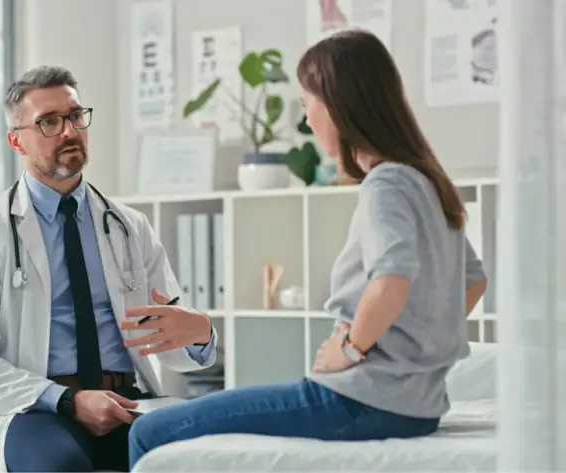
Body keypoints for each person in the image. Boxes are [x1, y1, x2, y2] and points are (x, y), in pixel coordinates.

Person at [126, 29, 489, 468]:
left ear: (338, 105)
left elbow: (390, 282)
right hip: (418, 406)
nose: (307, 120)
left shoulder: (387, 185)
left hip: (364, 400)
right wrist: (417, 349)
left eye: (307, 104)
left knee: (149, 431)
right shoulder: (426, 181)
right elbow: (473, 281)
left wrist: (351, 349)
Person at [0, 65, 217, 473]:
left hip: (130, 399)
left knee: (199, 458)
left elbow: (176, 347)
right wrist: (67, 400)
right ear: (15, 141)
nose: (69, 131)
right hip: (37, 407)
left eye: (75, 116)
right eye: (48, 122)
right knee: (60, 466)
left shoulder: (130, 227)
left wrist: (201, 334)